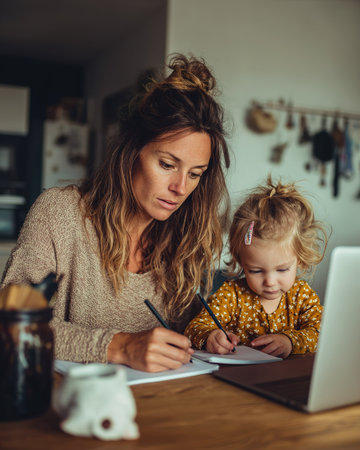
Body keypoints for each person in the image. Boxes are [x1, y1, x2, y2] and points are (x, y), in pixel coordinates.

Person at [0, 54, 230, 372]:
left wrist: (210, 335)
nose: (181, 188)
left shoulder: (189, 235)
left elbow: (190, 333)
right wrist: (119, 346)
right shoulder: (60, 214)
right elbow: (10, 323)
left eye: (195, 173)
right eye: (167, 164)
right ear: (131, 152)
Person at [185, 177, 328, 358]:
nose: (269, 281)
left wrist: (290, 341)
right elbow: (195, 327)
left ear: (299, 259)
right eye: (256, 271)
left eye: (282, 269)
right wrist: (210, 337)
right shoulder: (232, 295)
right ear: (241, 261)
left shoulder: (302, 296)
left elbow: (324, 332)